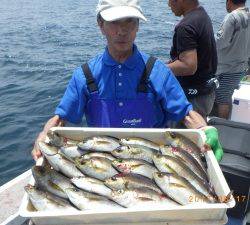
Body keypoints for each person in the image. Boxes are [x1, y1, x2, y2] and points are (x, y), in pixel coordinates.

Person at [31, 0, 223, 163]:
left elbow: (186, 113)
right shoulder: (84, 75)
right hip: (101, 163)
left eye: (130, 21)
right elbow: (60, 118)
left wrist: (203, 130)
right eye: (114, 22)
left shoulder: (159, 72)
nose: (122, 30)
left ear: (138, 25)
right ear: (100, 24)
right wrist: (45, 135)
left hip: (152, 162)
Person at [167, 0, 218, 119]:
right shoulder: (202, 15)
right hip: (206, 94)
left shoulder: (185, 26)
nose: (169, 5)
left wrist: (157, 67)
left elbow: (188, 66)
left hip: (193, 98)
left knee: (185, 136)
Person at [214, 0, 250, 119]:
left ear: (229, 1)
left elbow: (221, 42)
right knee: (226, 96)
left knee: (222, 99)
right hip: (241, 68)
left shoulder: (232, 17)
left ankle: (222, 126)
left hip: (225, 67)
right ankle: (226, 123)